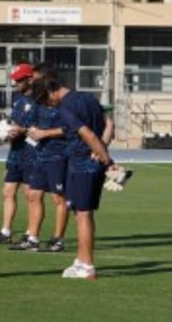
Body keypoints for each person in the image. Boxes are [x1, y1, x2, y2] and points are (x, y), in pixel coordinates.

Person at [29, 76, 114, 280]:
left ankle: (87, 265)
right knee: (82, 213)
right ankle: (81, 259)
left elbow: (88, 135)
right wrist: (102, 150)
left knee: (83, 215)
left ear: (51, 91)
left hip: (81, 163)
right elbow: (109, 124)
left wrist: (108, 161)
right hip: (91, 159)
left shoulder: (65, 108)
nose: (48, 104)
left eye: (45, 99)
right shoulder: (88, 98)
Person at [14, 62, 69, 253]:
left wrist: (46, 133)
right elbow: (29, 124)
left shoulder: (63, 102)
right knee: (33, 194)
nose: (32, 81)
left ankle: (58, 239)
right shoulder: (38, 101)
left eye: (36, 78)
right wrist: (20, 130)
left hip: (58, 155)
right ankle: (33, 238)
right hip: (39, 155)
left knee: (58, 198)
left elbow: (71, 128)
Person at [0, 62, 36, 245]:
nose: (16, 83)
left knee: (31, 195)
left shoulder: (40, 100)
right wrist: (7, 134)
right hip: (15, 153)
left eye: (19, 80)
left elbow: (42, 126)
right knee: (8, 191)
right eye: (15, 80)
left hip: (32, 153)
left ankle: (31, 233)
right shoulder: (18, 99)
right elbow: (13, 122)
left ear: (30, 79)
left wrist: (23, 130)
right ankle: (5, 232)